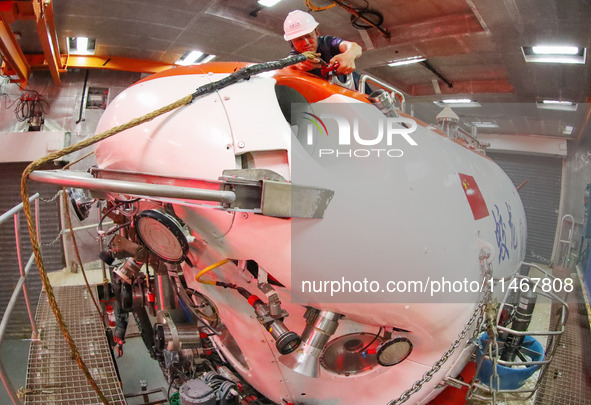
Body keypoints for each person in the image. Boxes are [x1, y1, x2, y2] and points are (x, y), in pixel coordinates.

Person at [283, 10, 362, 81]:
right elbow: (287, 65)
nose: (306, 42)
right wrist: (296, 66)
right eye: (299, 39)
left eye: (308, 36)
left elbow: (355, 47)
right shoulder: (294, 58)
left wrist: (349, 55)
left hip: (358, 89)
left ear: (316, 32)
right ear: (291, 42)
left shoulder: (327, 42)